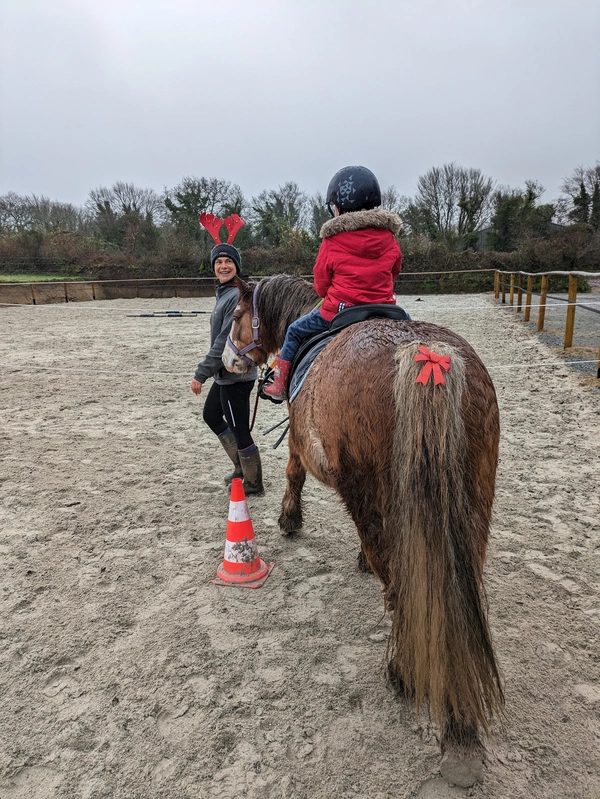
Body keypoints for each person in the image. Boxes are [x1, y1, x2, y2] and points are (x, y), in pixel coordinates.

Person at [263, 165, 404, 400]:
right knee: (416, 335)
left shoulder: (332, 241)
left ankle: (279, 385)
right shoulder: (389, 238)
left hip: (340, 312)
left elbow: (320, 286)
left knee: (294, 331)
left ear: (337, 209)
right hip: (386, 310)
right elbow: (395, 271)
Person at [191, 241, 264, 495]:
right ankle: (240, 468)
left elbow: (224, 340)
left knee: (239, 428)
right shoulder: (225, 291)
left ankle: (254, 482)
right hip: (224, 373)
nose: (223, 266)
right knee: (211, 414)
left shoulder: (234, 295)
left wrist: (201, 372)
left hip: (236, 373)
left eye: (228, 262)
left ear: (237, 266)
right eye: (219, 262)